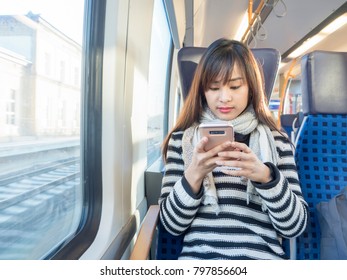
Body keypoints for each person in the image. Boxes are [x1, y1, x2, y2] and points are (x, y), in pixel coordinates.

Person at [158, 38, 308, 260]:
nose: (224, 97)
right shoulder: (183, 142)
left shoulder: (277, 142)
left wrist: (267, 178)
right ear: (202, 92)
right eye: (214, 87)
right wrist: (194, 174)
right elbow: (171, 226)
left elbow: (294, 227)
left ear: (251, 88)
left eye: (235, 86)